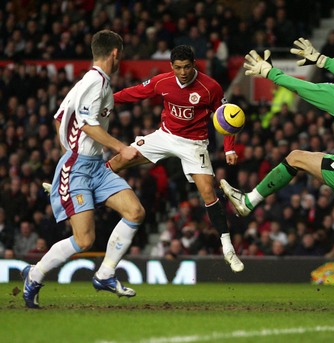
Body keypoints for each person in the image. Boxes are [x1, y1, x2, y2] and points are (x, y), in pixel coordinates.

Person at [220, 38, 334, 304]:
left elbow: (303, 87)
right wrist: (321, 59)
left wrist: (270, 72)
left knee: (296, 158)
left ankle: (248, 201)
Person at [22, 30, 146, 309]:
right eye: (121, 54)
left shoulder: (85, 83)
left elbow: (59, 119)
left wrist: (72, 147)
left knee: (135, 212)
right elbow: (88, 125)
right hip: (78, 168)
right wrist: (119, 148)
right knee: (85, 238)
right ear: (116, 53)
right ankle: (35, 275)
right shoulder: (96, 82)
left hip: (95, 167)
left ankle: (105, 274)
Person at [105, 45, 243, 272]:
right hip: (165, 136)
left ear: (194, 64)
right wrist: (108, 101)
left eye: (187, 67)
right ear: (171, 66)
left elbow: (226, 118)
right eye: (178, 68)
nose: (183, 72)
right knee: (120, 160)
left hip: (194, 143)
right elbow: (136, 92)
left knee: (208, 191)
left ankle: (228, 248)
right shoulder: (162, 81)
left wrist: (229, 149)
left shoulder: (211, 88)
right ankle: (76, 185)